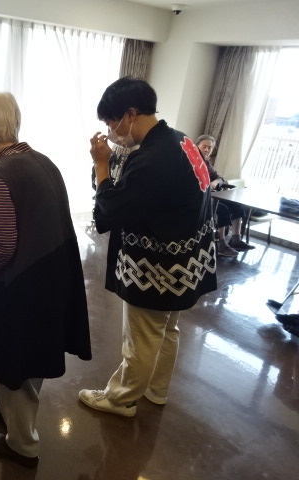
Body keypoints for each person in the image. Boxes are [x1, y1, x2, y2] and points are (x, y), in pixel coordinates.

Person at [0, 92, 91, 467]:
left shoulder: (2, 173)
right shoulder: (44, 162)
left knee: (15, 358)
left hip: (22, 286)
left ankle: (22, 444)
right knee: (32, 356)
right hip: (53, 277)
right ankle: (11, 413)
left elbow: (2, 248)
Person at [77, 76, 217, 417]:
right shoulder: (182, 140)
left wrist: (100, 164)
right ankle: (156, 389)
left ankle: (121, 399)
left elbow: (110, 212)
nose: (110, 131)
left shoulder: (153, 158)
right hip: (188, 259)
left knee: (141, 337)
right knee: (167, 329)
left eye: (111, 122)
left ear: (130, 114)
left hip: (157, 267)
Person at [196, 134, 255, 256]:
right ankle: (221, 244)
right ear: (197, 146)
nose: (207, 150)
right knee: (222, 209)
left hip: (212, 195)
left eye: (210, 147)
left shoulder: (207, 163)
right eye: (204, 146)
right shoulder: (192, 162)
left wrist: (215, 182)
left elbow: (220, 178)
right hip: (199, 198)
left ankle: (236, 239)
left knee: (236, 206)